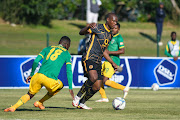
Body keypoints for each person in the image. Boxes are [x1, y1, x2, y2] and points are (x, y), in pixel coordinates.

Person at [4, 36, 74, 112]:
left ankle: (13, 107)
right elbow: (69, 71)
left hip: (38, 76)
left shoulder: (47, 48)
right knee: (60, 86)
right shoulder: (67, 54)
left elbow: (36, 61)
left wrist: (31, 74)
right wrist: (70, 87)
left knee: (29, 94)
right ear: (67, 45)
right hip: (50, 80)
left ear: (59, 42)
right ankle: (40, 102)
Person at [72, 13, 119, 110]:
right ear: (107, 20)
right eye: (113, 21)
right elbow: (81, 32)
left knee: (97, 87)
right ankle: (77, 98)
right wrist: (87, 27)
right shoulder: (97, 27)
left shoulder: (110, 35)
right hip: (89, 57)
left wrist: (112, 63)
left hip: (98, 61)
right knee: (93, 78)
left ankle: (82, 103)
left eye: (116, 21)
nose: (115, 23)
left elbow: (104, 51)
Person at [95, 23, 129, 103]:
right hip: (107, 60)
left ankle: (124, 88)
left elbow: (122, 51)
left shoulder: (119, 38)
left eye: (115, 28)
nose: (113, 29)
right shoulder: (109, 36)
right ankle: (104, 98)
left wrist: (109, 52)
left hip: (113, 61)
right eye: (113, 28)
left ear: (118, 29)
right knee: (97, 79)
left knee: (105, 80)